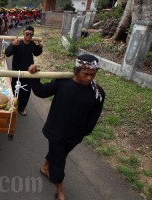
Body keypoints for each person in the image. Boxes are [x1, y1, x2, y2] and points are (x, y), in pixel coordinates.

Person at [28, 54, 105, 200]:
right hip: (56, 131)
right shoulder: (62, 82)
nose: (89, 78)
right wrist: (34, 76)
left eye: (93, 75)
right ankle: (60, 192)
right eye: (86, 74)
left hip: (75, 135)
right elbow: (41, 92)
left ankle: (45, 168)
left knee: (60, 154)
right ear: (77, 70)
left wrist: (84, 132)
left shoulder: (97, 93)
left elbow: (93, 117)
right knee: (59, 161)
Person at [5, 25, 43, 116]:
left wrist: (40, 46)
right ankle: (12, 106)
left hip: (28, 72)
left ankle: (21, 108)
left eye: (31, 35)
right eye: (27, 34)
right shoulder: (18, 43)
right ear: (23, 33)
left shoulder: (32, 44)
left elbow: (36, 53)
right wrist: (12, 45)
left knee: (26, 91)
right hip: (17, 72)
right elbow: (7, 53)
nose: (29, 36)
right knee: (14, 89)